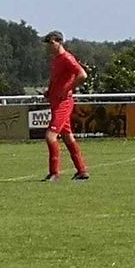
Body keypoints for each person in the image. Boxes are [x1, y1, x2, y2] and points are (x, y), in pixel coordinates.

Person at [41, 30, 89, 182]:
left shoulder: (67, 58)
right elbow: (56, 79)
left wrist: (68, 89)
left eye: (51, 43)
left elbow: (82, 74)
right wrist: (49, 91)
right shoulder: (56, 60)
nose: (48, 46)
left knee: (50, 136)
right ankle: (82, 171)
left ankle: (54, 173)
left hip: (63, 103)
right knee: (68, 137)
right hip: (55, 102)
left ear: (59, 41)